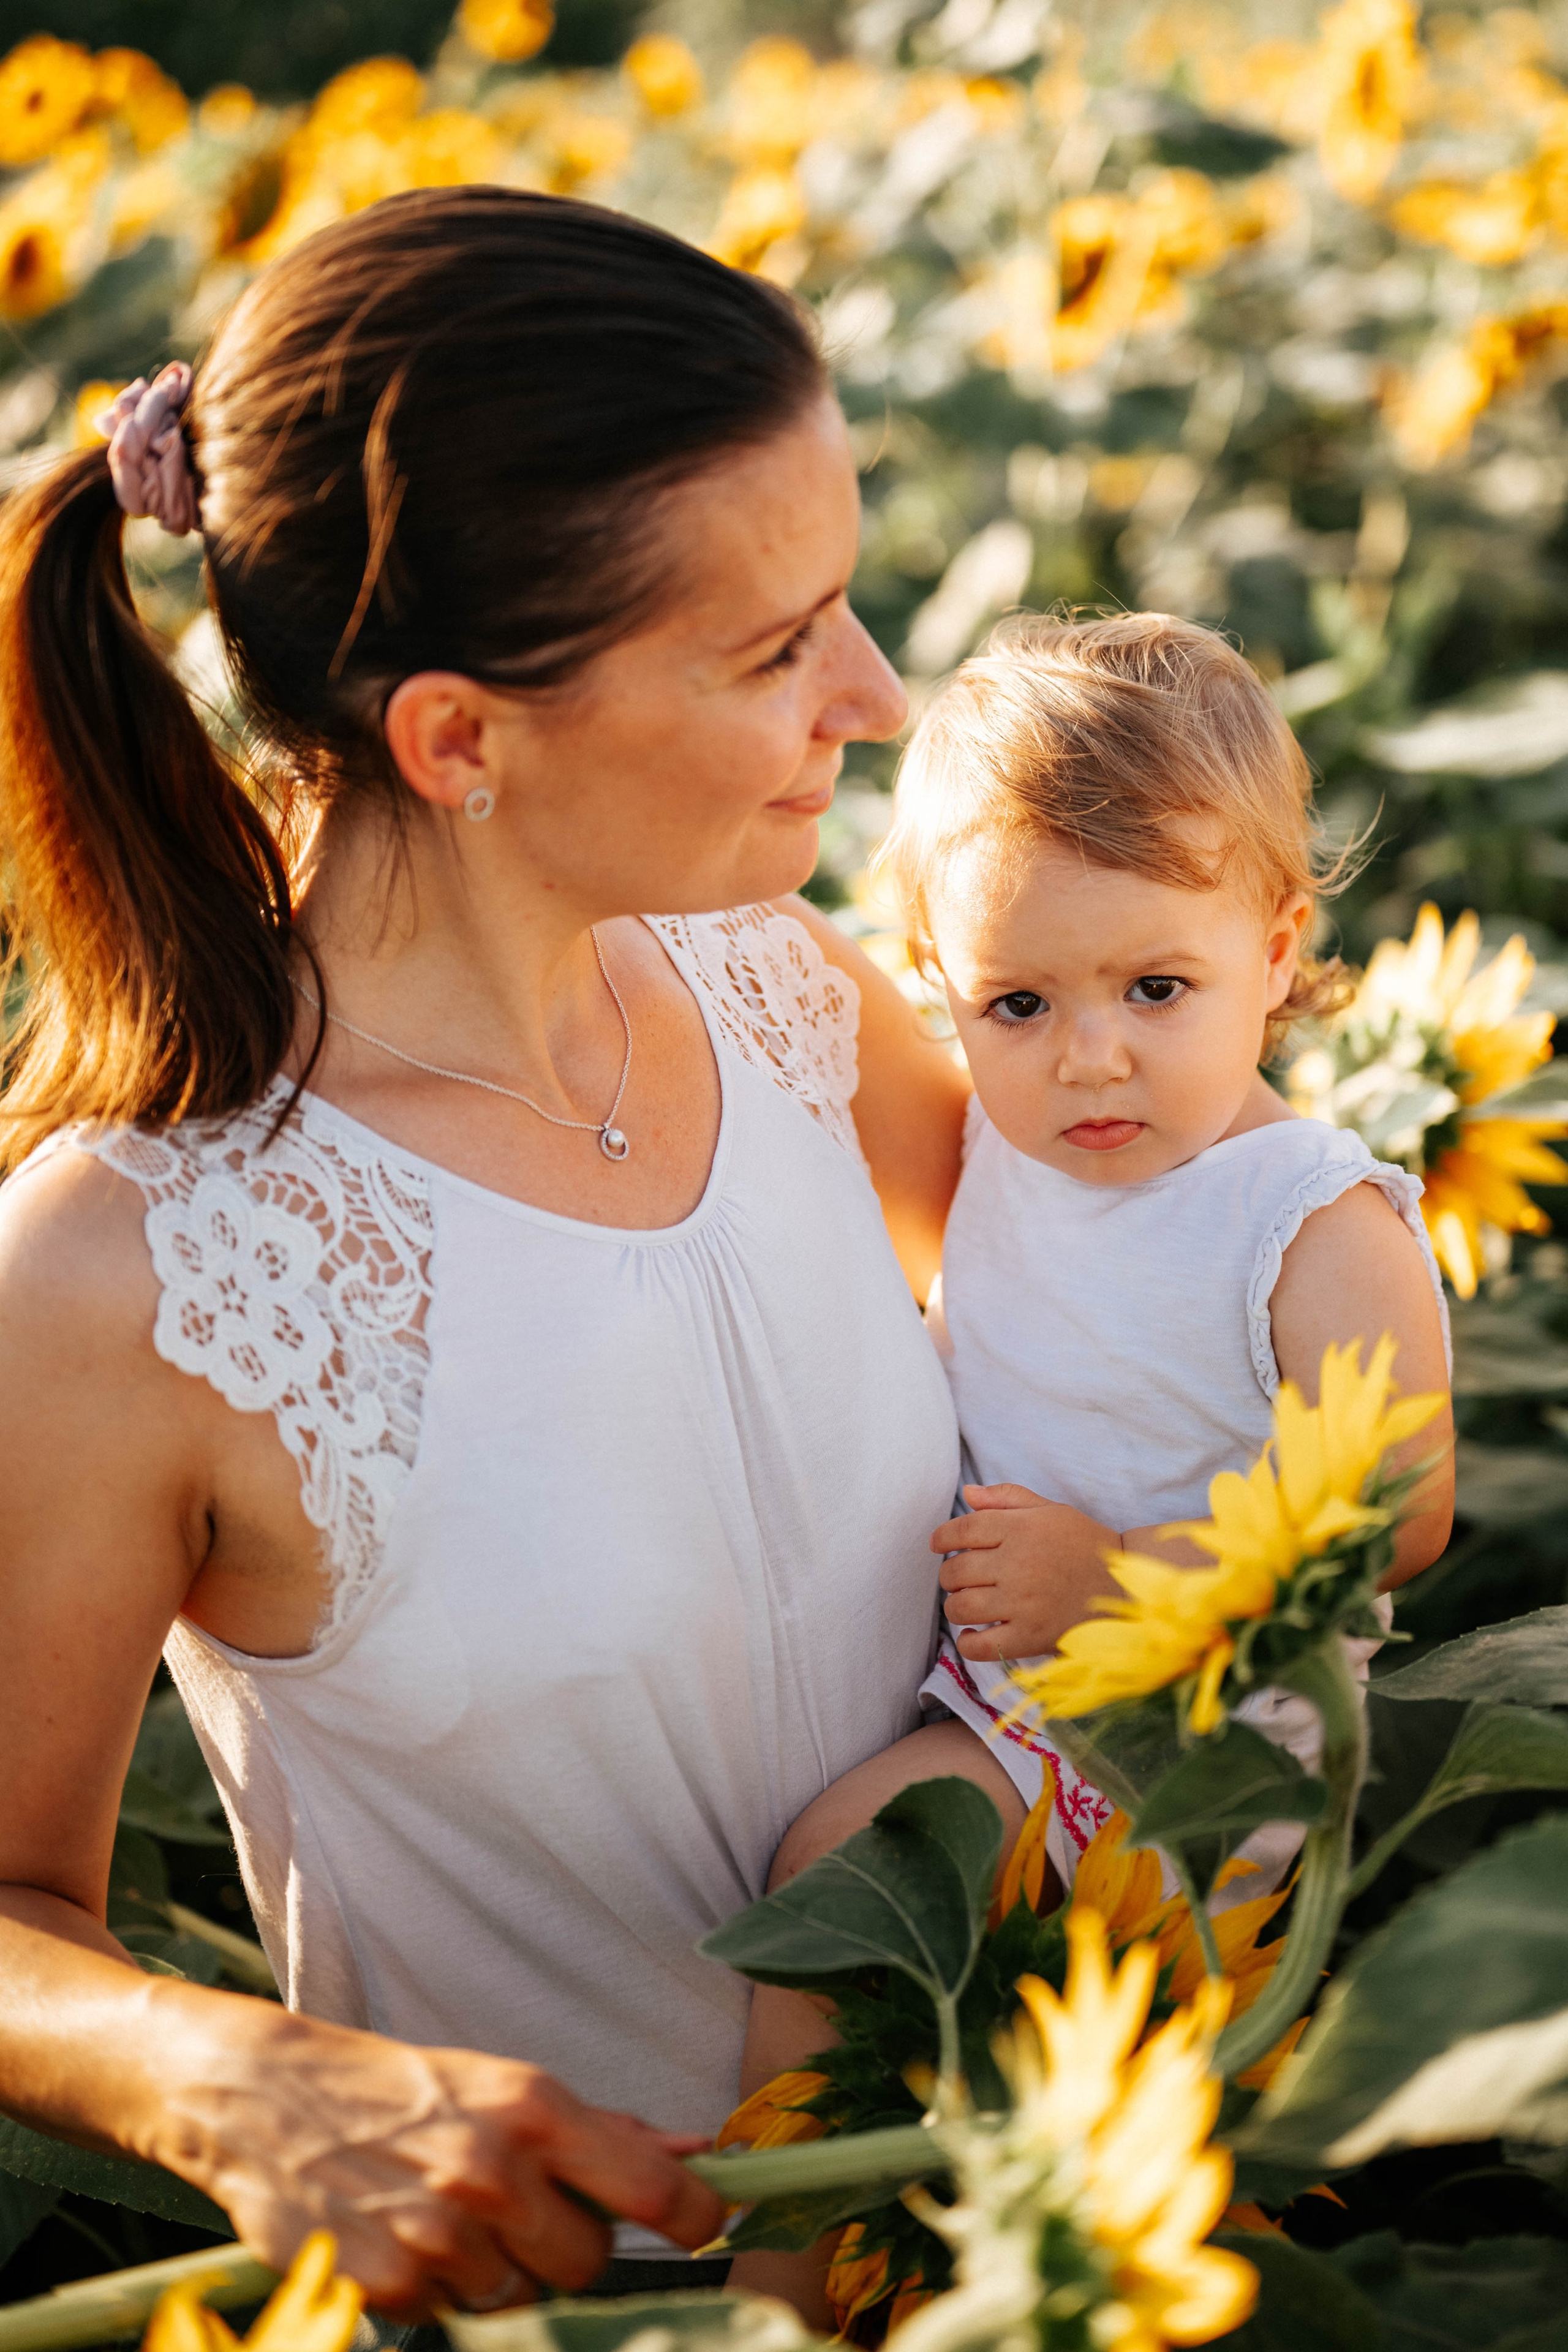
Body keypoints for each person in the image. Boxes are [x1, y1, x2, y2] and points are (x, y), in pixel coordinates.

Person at [0, 187, 976, 2317]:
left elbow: (1098, 1321)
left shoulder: (784, 994)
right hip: (608, 2315)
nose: (882, 697)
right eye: (774, 649)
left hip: (1065, 2224)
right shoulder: (130, 1273)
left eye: (850, 601)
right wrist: (234, 2086)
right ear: (458, 737)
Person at [731, 612, 1454, 2317]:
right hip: (1025, 1698)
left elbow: (1402, 1523)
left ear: (1276, 952)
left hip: (1190, 1758)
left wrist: (1113, 1585)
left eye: (1156, 987)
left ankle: (763, 2297)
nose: (1092, 1054)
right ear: (945, 985)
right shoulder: (1008, 1136)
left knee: (846, 1874)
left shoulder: (1307, 1219)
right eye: (1019, 1000)